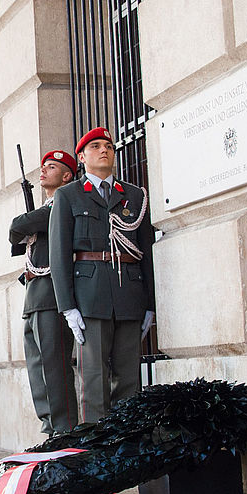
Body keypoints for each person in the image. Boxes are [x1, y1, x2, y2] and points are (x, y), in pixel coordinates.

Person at [49, 127, 155, 423]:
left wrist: (150, 305)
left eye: (108, 145)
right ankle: (96, 447)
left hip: (129, 294)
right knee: (93, 378)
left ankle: (126, 444)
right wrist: (67, 306)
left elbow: (146, 252)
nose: (104, 150)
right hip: (90, 297)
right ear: (81, 157)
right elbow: (59, 255)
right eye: (95, 146)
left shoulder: (134, 196)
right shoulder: (68, 195)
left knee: (129, 378)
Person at [10, 149, 80, 436]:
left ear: (66, 176)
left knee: (55, 365)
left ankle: (64, 428)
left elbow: (17, 226)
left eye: (51, 167)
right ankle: (50, 425)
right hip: (35, 293)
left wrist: (26, 224)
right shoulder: (46, 209)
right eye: (43, 166)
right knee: (38, 368)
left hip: (52, 295)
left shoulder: (63, 204)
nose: (43, 171)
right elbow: (17, 237)